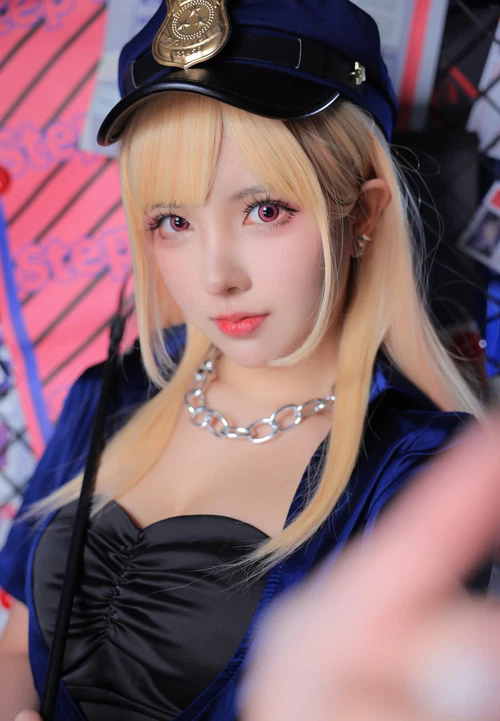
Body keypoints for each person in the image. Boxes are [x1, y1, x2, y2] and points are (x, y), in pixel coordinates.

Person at [0, 0, 489, 720]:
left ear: (363, 214)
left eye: (264, 210)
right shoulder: (110, 396)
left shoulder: (418, 469)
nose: (215, 275)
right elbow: (18, 650)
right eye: (174, 221)